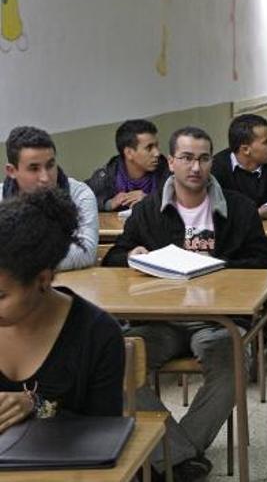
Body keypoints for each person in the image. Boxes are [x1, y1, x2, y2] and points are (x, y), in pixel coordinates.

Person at [103, 126, 267, 481]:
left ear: (212, 161)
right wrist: (131, 254)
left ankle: (174, 455)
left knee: (233, 364)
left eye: (203, 158)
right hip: (159, 320)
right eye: (186, 158)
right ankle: (178, 457)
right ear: (171, 162)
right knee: (112, 364)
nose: (195, 167)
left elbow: (261, 262)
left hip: (217, 320)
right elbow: (115, 258)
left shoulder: (239, 209)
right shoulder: (149, 210)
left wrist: (218, 268)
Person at [0, 188, 124, 434]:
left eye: (1, 296)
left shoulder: (97, 334)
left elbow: (102, 434)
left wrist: (36, 405)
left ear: (43, 280)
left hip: (64, 468)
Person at [1, 125, 98, 270]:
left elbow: (85, 252)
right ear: (12, 171)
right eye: (34, 168)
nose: (45, 178)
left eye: (50, 165)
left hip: (72, 285)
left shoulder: (80, 194)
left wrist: (17, 261)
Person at [211, 113, 267, 220]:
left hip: (265, 232)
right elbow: (213, 206)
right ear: (245, 149)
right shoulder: (216, 166)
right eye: (266, 142)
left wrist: (252, 215)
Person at [86, 119, 169, 212]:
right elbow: (81, 199)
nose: (157, 153)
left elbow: (183, 201)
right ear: (129, 153)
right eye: (149, 148)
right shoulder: (108, 174)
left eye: (156, 146)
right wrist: (108, 204)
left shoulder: (168, 170)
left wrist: (151, 200)